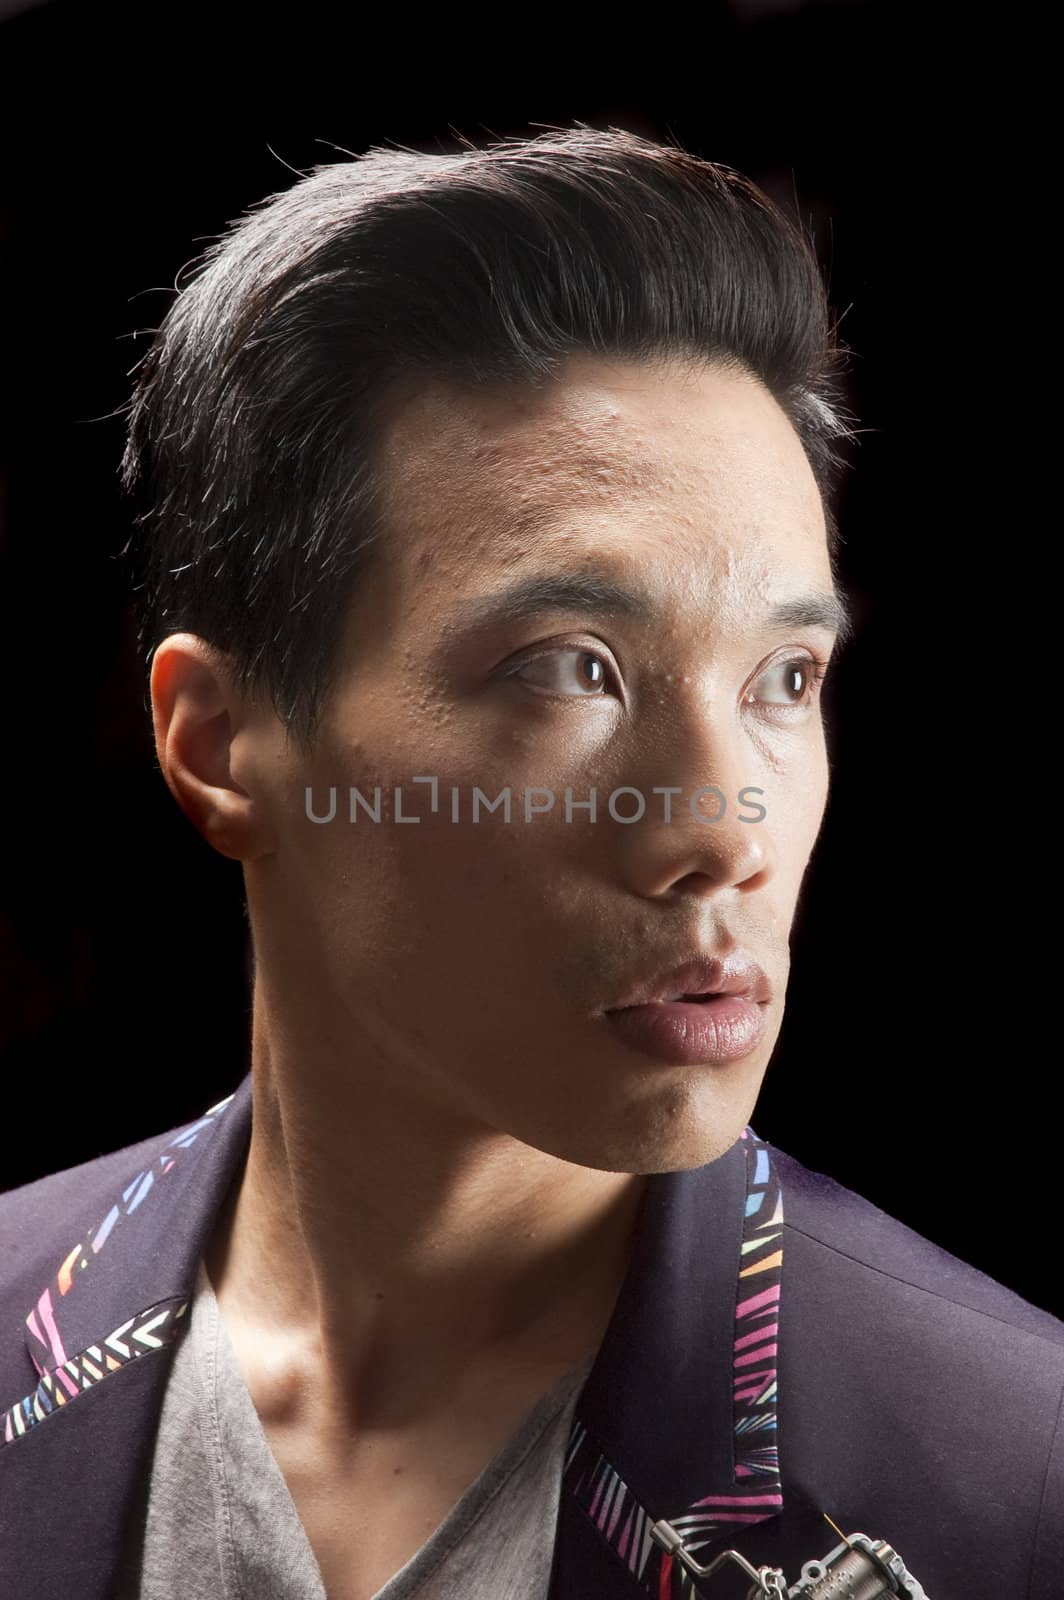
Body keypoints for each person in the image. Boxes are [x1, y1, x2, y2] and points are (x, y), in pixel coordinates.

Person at [0, 124, 1059, 1600]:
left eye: (784, 679)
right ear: (220, 741)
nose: (717, 831)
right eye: (573, 668)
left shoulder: (1013, 1488)